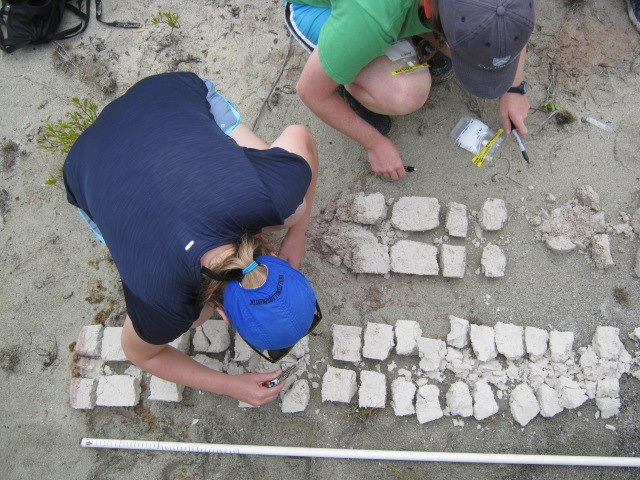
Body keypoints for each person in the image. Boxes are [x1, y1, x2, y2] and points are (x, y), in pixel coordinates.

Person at [63, 72, 320, 406]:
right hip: (83, 164)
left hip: (159, 96)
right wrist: (230, 385)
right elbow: (141, 353)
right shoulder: (165, 305)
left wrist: (296, 231)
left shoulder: (272, 200)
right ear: (225, 318)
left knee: (292, 211)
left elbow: (301, 135)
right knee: (194, 316)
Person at [284, 0, 535, 180]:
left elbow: (508, 15)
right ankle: (348, 78)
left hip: (403, 12)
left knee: (466, 48)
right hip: (319, 9)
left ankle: (413, 41)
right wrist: (375, 143)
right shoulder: (369, 17)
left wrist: (514, 87)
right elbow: (311, 91)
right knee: (406, 93)